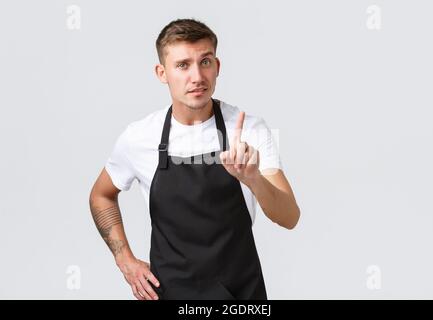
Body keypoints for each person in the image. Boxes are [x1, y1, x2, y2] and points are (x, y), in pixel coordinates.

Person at [89, 18, 301, 300]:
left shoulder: (250, 130)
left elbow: (289, 217)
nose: (197, 77)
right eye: (182, 65)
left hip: (240, 295)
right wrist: (125, 261)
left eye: (205, 62)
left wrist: (253, 180)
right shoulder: (139, 137)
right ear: (161, 72)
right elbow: (101, 195)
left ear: (217, 67)